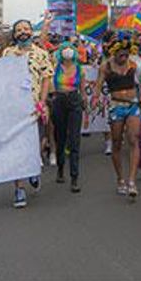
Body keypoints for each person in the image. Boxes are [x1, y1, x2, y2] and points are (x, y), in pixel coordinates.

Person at [3, 19, 54, 208]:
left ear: (31, 31)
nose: (22, 32)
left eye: (26, 29)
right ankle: (19, 189)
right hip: (15, 108)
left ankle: (33, 168)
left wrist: (42, 103)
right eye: (18, 30)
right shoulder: (8, 53)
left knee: (36, 145)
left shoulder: (41, 54)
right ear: (14, 34)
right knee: (16, 148)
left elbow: (46, 79)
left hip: (35, 107)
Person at [95, 39, 141, 198]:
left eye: (126, 55)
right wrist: (95, 100)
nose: (124, 58)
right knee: (116, 142)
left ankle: (132, 181)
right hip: (116, 107)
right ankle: (120, 179)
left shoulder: (133, 65)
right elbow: (98, 87)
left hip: (133, 105)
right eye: (121, 55)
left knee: (134, 139)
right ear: (114, 53)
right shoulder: (106, 66)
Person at [51, 42, 85, 192]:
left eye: (70, 48)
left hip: (74, 100)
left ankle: (74, 177)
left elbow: (83, 91)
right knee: (60, 137)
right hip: (59, 100)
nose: (67, 51)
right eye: (64, 48)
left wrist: (86, 106)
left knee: (74, 140)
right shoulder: (55, 67)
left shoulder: (80, 69)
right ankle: (60, 168)